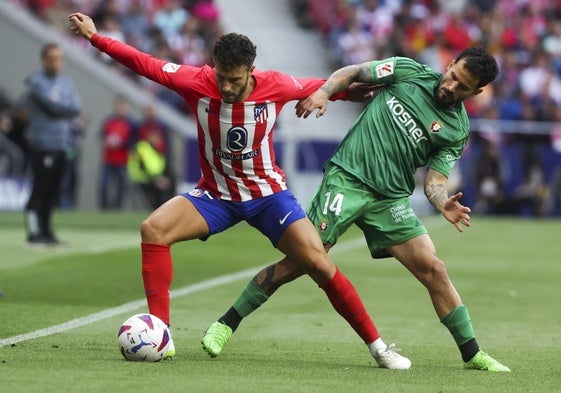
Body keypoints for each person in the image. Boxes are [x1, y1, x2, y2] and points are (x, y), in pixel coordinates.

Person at [68, 12, 411, 369]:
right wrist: (96, 38)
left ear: (250, 70)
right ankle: (162, 335)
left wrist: (343, 94)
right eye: (221, 77)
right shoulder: (196, 82)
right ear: (213, 66)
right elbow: (145, 64)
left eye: (234, 80)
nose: (226, 87)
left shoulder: (275, 84)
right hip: (215, 196)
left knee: (319, 264)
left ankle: (378, 347)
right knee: (153, 229)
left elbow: (318, 85)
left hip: (267, 196)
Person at [203, 47, 512, 372]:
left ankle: (472, 353)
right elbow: (352, 73)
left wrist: (441, 203)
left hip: (390, 198)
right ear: (449, 65)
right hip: (347, 180)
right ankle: (227, 323)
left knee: (433, 268)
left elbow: (435, 180)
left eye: (463, 86)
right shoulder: (408, 71)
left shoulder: (456, 129)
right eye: (453, 76)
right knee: (303, 260)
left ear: (476, 92)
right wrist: (324, 92)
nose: (451, 86)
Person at [23, 42, 83, 245]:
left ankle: (47, 231)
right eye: (52, 59)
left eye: (59, 59)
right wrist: (61, 108)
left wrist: (60, 107)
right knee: (40, 188)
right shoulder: (36, 82)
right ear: (44, 60)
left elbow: (76, 108)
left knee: (53, 190)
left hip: (61, 144)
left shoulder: (66, 83)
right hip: (42, 143)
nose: (56, 63)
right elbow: (52, 107)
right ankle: (33, 232)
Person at [99, 95, 136, 210]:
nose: (121, 109)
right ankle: (104, 209)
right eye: (119, 106)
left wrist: (121, 143)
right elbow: (101, 137)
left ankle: (117, 209)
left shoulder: (131, 123)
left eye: (123, 106)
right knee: (103, 185)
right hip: (109, 159)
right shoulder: (109, 121)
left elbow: (133, 141)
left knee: (121, 188)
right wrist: (106, 142)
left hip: (123, 160)